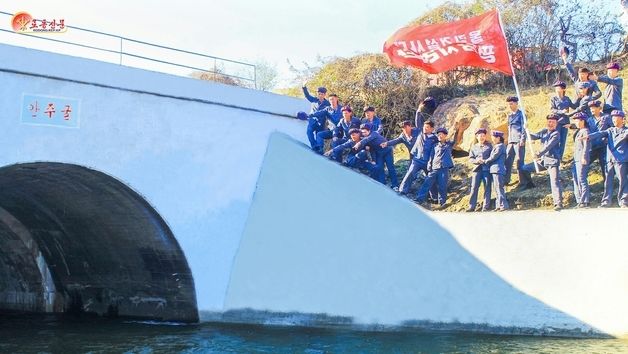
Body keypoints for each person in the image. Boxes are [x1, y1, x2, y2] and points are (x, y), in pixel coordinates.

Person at [520, 114, 564, 211]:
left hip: (552, 162)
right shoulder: (544, 131)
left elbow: (548, 146)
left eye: (553, 122)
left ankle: (558, 203)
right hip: (543, 161)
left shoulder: (556, 134)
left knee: (554, 182)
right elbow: (533, 136)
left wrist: (539, 154)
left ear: (556, 124)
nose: (550, 124)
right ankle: (529, 184)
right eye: (549, 121)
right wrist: (525, 129)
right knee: (524, 168)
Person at [586, 110, 628, 208]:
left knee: (623, 181)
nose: (614, 120)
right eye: (612, 118)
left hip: (621, 160)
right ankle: (606, 202)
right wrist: (589, 137)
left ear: (622, 119)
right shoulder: (610, 130)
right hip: (610, 160)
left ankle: (623, 201)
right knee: (608, 181)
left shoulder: (626, 131)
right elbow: (599, 133)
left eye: (616, 118)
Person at [415, 127, 454, 209]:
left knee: (442, 186)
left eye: (441, 134)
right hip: (434, 168)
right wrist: (429, 166)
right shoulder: (435, 145)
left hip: (444, 168)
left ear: (445, 135)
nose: (440, 136)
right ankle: (419, 199)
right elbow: (431, 156)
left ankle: (442, 203)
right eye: (438, 134)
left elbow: (456, 137)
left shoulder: (449, 145)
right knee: (427, 182)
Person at [398, 120, 439, 195]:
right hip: (417, 160)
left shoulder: (435, 139)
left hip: (427, 162)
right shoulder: (420, 133)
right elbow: (418, 121)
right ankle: (402, 190)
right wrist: (419, 111)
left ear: (432, 129)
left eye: (427, 127)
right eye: (424, 127)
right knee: (410, 173)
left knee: (430, 179)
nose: (425, 129)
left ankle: (434, 196)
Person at [353, 123, 399, 189]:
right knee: (380, 168)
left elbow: (367, 139)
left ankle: (395, 185)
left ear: (369, 131)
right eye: (362, 132)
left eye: (365, 132)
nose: (364, 134)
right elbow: (372, 150)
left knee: (390, 168)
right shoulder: (364, 138)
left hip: (387, 152)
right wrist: (373, 160)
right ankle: (382, 184)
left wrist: (359, 143)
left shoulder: (374, 134)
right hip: (379, 154)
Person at [467, 128, 493, 212]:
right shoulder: (473, 147)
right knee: (474, 187)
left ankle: (486, 206)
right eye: (480, 136)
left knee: (487, 187)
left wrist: (486, 160)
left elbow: (492, 156)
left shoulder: (489, 146)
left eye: (483, 136)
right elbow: (470, 158)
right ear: (477, 137)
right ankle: (471, 206)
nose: (482, 137)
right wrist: (476, 161)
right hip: (477, 170)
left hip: (486, 169)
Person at [587, 100, 614, 181]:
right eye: (591, 108)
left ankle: (608, 186)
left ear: (599, 108)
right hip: (592, 146)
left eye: (594, 108)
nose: (592, 109)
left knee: (605, 167)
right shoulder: (589, 119)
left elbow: (613, 129)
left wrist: (607, 139)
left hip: (603, 147)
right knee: (585, 163)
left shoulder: (607, 117)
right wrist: (572, 126)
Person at [482, 131, 509, 211]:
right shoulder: (497, 146)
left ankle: (503, 205)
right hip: (495, 170)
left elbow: (494, 156)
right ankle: (498, 205)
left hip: (498, 169)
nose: (493, 139)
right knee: (496, 188)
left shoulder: (500, 146)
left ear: (498, 138)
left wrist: (485, 161)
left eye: (494, 137)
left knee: (499, 188)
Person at [504, 96, 527, 187]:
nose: (510, 105)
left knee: (519, 162)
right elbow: (509, 128)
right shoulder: (509, 116)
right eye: (509, 104)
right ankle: (506, 180)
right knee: (507, 161)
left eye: (511, 104)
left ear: (516, 104)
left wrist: (523, 139)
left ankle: (523, 182)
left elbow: (524, 128)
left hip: (518, 140)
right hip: (511, 141)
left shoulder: (521, 114)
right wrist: (508, 140)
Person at [571, 112, 592, 208]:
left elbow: (586, 146)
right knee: (578, 179)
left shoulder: (585, 131)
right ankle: (581, 200)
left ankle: (584, 200)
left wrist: (584, 157)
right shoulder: (579, 131)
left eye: (577, 120)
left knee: (582, 179)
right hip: (577, 158)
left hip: (581, 158)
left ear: (582, 120)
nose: (575, 122)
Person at [550, 80, 574, 161]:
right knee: (556, 140)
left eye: (559, 88)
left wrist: (581, 99)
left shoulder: (567, 98)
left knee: (563, 141)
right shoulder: (553, 99)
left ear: (563, 89)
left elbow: (574, 106)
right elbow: (552, 109)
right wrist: (561, 111)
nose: (557, 90)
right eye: (556, 88)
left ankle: (559, 158)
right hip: (557, 122)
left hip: (566, 122)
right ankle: (555, 157)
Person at [302, 85, 330, 150]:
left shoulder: (328, 103)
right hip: (312, 121)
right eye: (319, 94)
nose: (320, 95)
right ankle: (314, 146)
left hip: (321, 122)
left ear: (324, 94)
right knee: (309, 132)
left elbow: (329, 113)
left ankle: (320, 149)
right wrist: (304, 87)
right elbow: (307, 95)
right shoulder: (314, 100)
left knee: (319, 136)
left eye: (322, 94)